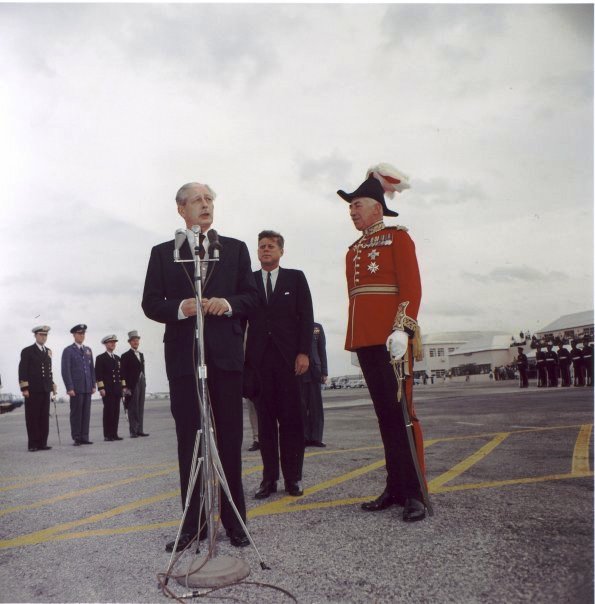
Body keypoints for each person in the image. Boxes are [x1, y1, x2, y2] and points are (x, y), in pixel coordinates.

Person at [142, 181, 259, 551]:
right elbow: (150, 303)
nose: (206, 205)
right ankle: (193, 525)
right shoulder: (163, 254)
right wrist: (180, 309)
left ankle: (235, 521)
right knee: (189, 442)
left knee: (229, 439)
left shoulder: (236, 249)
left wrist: (227, 304)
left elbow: (252, 297)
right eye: (197, 200)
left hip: (224, 359)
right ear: (181, 209)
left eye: (209, 199)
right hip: (183, 360)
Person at [337, 163, 428, 522]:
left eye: (356, 204)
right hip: (367, 341)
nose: (352, 211)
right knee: (385, 417)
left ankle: (416, 492)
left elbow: (411, 286)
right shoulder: (353, 249)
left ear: (376, 206)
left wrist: (403, 329)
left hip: (393, 340)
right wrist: (356, 342)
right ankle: (395, 487)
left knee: (403, 414)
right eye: (350, 207)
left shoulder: (397, 237)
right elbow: (356, 297)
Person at [245, 230, 314, 500]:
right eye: (261, 246)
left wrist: (304, 353)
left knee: (292, 422)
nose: (265, 250)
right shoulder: (248, 281)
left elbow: (306, 317)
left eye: (271, 246)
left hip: (289, 363)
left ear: (281, 251)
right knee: (265, 423)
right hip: (260, 363)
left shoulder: (295, 278)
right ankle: (269, 479)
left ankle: (293, 478)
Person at [18, 325, 57, 451]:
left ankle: (42, 443)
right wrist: (24, 388)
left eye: (45, 335)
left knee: (44, 417)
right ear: (35, 335)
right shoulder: (27, 351)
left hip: (45, 389)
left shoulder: (48, 351)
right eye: (41, 334)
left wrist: (52, 384)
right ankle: (33, 444)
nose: (43, 337)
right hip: (33, 390)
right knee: (32, 417)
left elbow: (49, 371)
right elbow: (22, 370)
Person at [61, 324, 96, 446]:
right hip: (76, 388)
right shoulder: (68, 351)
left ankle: (84, 436)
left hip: (87, 387)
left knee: (86, 413)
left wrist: (93, 385)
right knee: (76, 413)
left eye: (83, 333)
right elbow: (66, 370)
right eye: (79, 333)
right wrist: (69, 387)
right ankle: (77, 437)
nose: (82, 336)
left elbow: (92, 369)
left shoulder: (88, 350)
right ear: (74, 335)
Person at [301, 322, 328, 448]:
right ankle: (304, 437)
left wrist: (324, 371)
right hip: (300, 371)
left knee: (316, 407)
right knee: (302, 406)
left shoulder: (317, 327)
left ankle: (316, 438)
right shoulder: (294, 325)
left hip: (315, 371)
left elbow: (322, 350)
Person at [95, 335, 125, 441]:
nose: (113, 344)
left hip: (117, 389)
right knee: (108, 411)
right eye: (110, 342)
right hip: (107, 390)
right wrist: (101, 388)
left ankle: (114, 434)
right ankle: (107, 435)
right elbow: (98, 375)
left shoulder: (117, 358)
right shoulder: (100, 358)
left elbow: (121, 375)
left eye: (114, 342)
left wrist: (123, 387)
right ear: (105, 344)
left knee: (116, 412)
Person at [120, 331, 148, 438]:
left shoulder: (141, 354)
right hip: (132, 384)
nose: (136, 342)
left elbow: (142, 369)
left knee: (140, 406)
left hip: (141, 382)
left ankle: (140, 429)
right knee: (133, 407)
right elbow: (123, 372)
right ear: (130, 342)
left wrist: (144, 381)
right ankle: (133, 431)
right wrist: (124, 387)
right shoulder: (125, 355)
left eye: (137, 340)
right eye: (133, 340)